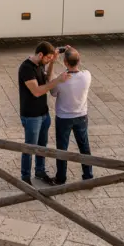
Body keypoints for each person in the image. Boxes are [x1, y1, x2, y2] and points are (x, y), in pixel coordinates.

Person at [18, 41, 70, 186]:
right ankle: (25, 177)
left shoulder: (40, 64)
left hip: (43, 114)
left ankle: (40, 171)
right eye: (47, 58)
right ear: (40, 54)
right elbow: (37, 91)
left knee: (42, 146)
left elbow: (47, 79)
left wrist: (52, 62)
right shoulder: (26, 68)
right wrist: (58, 80)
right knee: (30, 147)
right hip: (31, 116)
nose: (47, 61)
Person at [51, 47, 93, 184]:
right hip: (81, 116)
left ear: (65, 62)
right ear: (79, 61)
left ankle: (61, 177)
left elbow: (53, 93)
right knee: (84, 146)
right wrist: (73, 50)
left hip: (63, 117)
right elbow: (80, 65)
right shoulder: (87, 76)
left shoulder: (61, 80)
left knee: (62, 148)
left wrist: (53, 62)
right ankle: (88, 175)